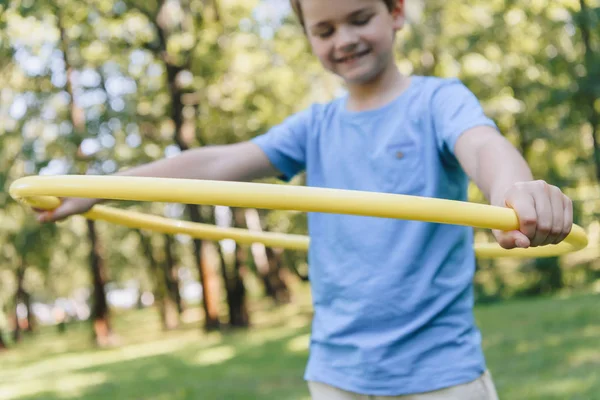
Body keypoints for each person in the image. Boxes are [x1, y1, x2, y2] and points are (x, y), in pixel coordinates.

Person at [37, 0, 573, 398]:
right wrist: (96, 188)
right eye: (324, 30)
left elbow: (483, 146)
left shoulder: (438, 102)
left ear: (397, 12)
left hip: (441, 373)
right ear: (309, 38)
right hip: (336, 375)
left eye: (359, 18)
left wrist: (512, 193)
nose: (343, 39)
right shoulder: (314, 127)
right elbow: (217, 164)